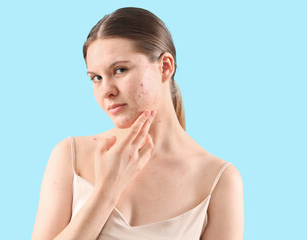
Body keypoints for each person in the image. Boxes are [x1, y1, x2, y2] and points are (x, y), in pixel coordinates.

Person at [32, 7, 244, 240]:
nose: (107, 91)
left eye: (120, 70)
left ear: (165, 67)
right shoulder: (70, 157)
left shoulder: (218, 181)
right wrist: (106, 191)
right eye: (96, 78)